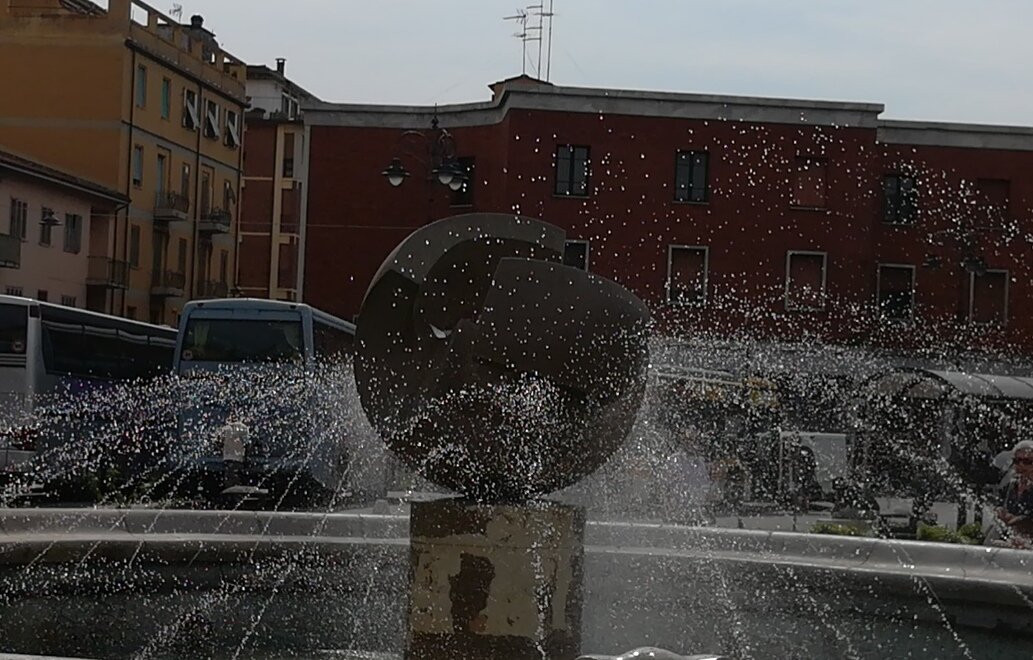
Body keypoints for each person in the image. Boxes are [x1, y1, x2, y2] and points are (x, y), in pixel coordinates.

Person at [994, 440, 1033, 548]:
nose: (1021, 465)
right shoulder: (1011, 486)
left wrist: (1017, 520)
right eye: (1017, 460)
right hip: (1012, 540)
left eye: (1027, 461)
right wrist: (999, 511)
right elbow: (999, 505)